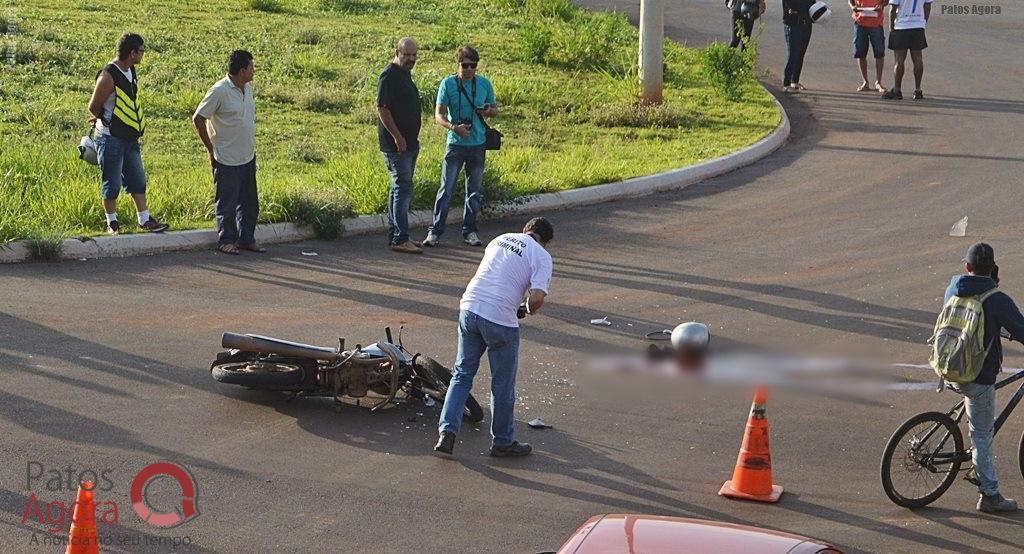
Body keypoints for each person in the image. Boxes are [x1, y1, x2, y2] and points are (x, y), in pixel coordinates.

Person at [434, 217, 554, 458]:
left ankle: (447, 433)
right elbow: (537, 298)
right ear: (546, 241)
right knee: (502, 384)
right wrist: (527, 309)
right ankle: (502, 441)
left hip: (469, 308)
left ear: (525, 230)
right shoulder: (541, 255)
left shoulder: (499, 239)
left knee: (462, 374)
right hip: (499, 320)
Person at [942, 243, 1022, 513]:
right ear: (993, 269)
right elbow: (1021, 330)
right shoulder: (996, 298)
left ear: (967, 267)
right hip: (977, 376)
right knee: (982, 436)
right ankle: (989, 495)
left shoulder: (953, 289)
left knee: (977, 417)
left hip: (949, 367)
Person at [87, 32, 169, 236]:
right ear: (132, 53)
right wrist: (103, 119)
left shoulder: (130, 70)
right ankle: (112, 223)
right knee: (111, 182)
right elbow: (93, 106)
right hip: (109, 136)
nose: (143, 54)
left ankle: (144, 219)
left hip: (130, 136)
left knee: (137, 179)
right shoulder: (108, 75)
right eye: (141, 51)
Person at [421, 46, 497, 249]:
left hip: (478, 144)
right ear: (458, 64)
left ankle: (470, 231)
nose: (469, 69)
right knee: (446, 189)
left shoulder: (484, 84)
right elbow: (438, 115)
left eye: (473, 66)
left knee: (474, 191)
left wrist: (488, 110)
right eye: (465, 65)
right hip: (455, 144)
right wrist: (454, 128)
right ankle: (434, 232)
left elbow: (495, 109)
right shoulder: (448, 84)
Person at [193, 50, 263, 255]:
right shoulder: (219, 90)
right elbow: (198, 119)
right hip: (226, 158)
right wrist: (210, 149)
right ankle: (226, 241)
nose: (254, 71)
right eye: (251, 67)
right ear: (242, 70)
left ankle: (246, 239)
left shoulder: (247, 89)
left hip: (247, 156)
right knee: (227, 203)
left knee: (250, 203)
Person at [377, 38, 423, 255]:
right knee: (402, 188)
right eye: (407, 55)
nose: (411, 59)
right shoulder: (389, 76)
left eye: (414, 55)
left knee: (399, 190)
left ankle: (397, 233)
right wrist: (397, 136)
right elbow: (382, 109)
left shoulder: (404, 75)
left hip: (409, 144)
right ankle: (400, 237)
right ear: (397, 52)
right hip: (397, 146)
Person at [883, 0, 932, 100]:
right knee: (918, 58)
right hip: (918, 26)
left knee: (899, 59)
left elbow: (893, 9)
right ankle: (918, 90)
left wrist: (891, 27)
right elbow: (927, 6)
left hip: (902, 26)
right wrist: (923, 22)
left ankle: (897, 90)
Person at [850, 0, 887, 92]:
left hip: (876, 22)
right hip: (860, 22)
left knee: (879, 52)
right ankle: (865, 82)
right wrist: (853, 7)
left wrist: (881, 5)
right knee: (860, 53)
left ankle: (878, 82)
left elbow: (886, 1)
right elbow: (850, 1)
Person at [782, 0, 815, 93]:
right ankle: (786, 84)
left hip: (806, 23)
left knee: (801, 53)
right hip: (793, 24)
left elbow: (812, 4)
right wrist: (804, 9)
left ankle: (795, 81)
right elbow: (792, 5)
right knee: (793, 54)